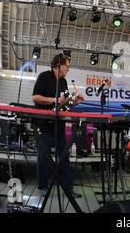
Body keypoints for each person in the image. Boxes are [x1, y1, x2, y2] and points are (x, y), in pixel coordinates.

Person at [32, 53, 84, 197]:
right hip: (43, 124)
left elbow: (64, 104)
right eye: (67, 66)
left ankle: (68, 188)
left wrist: (74, 102)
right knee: (43, 156)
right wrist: (53, 99)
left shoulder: (63, 82)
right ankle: (43, 187)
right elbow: (35, 97)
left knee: (64, 156)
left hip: (58, 124)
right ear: (58, 65)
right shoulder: (44, 76)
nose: (68, 69)